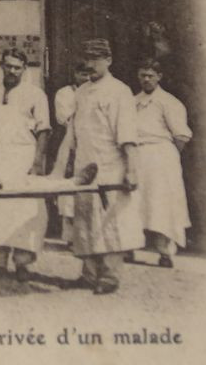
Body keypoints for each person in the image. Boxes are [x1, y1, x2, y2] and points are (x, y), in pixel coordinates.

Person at [68, 38, 143, 294]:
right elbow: (74, 134)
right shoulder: (80, 92)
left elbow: (127, 134)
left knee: (111, 223)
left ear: (109, 60)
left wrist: (131, 169)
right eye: (87, 59)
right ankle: (89, 274)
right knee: (86, 221)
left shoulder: (119, 91)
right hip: (85, 165)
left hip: (110, 165)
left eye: (96, 59)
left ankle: (110, 276)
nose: (90, 64)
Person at [0, 49, 51, 282]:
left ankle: (23, 264)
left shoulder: (35, 95)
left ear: (24, 69)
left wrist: (37, 163)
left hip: (22, 159)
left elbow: (44, 130)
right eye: (8, 66)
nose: (12, 71)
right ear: (1, 66)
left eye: (17, 67)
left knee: (23, 210)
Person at [134, 60, 193, 266]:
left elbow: (181, 136)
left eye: (150, 75)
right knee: (135, 203)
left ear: (159, 76)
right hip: (138, 156)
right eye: (142, 75)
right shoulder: (133, 101)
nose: (146, 79)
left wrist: (167, 157)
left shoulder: (170, 102)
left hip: (161, 157)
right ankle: (129, 247)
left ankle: (165, 252)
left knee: (162, 204)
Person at [47, 61, 91, 242]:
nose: (86, 78)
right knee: (69, 189)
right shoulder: (65, 93)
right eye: (82, 74)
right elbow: (64, 119)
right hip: (71, 142)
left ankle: (87, 235)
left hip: (90, 144)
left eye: (89, 75)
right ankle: (70, 236)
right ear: (75, 75)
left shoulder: (94, 92)